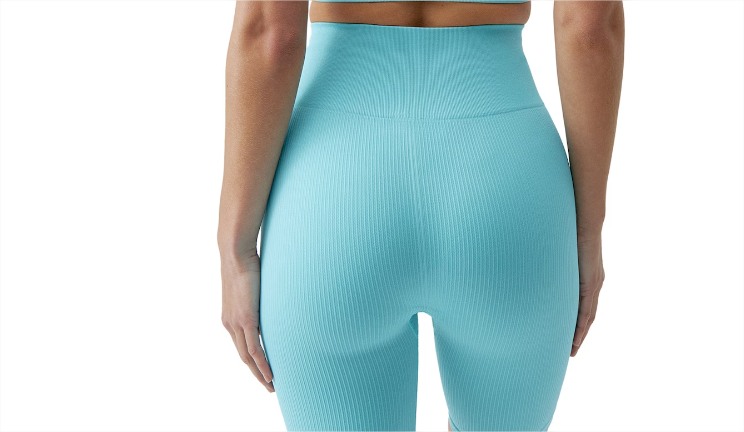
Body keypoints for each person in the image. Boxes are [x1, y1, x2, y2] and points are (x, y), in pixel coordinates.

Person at [218, 0, 623, 430]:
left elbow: (271, 34)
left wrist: (236, 247)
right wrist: (588, 231)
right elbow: (589, 30)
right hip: (506, 183)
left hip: (333, 193)